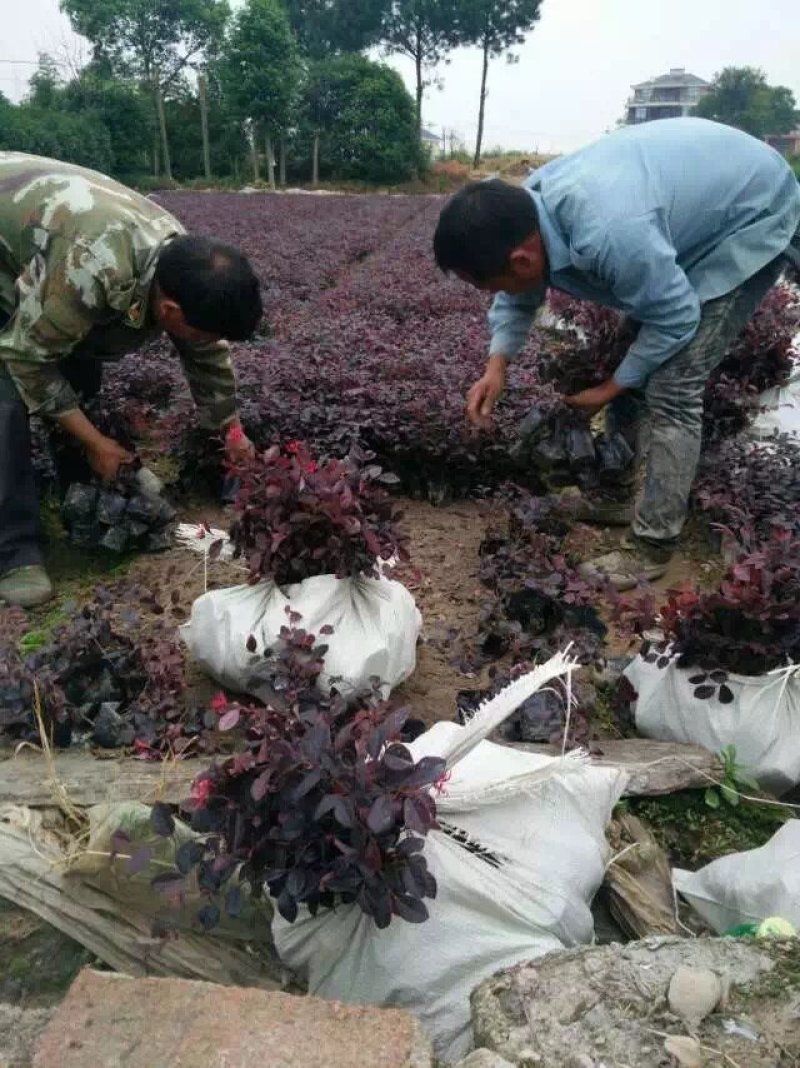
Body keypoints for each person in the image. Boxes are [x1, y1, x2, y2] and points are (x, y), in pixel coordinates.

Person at [433, 118, 800, 590]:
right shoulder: (528, 217)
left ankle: (652, 545)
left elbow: (675, 317)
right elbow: (517, 293)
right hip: (691, 212)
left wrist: (608, 390)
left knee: (672, 385)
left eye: (486, 283)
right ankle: (617, 492)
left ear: (520, 260)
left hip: (753, 210)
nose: (492, 292)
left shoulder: (608, 232)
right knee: (633, 359)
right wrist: (495, 366)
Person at [0, 152, 263, 608]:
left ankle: (79, 490)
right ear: (170, 312)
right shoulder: (93, 264)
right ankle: (14, 550)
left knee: (77, 357)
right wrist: (96, 442)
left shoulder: (182, 264)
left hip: (49, 247)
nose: (206, 341)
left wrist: (232, 432)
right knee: (5, 400)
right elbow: (27, 357)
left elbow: (207, 354)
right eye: (201, 331)